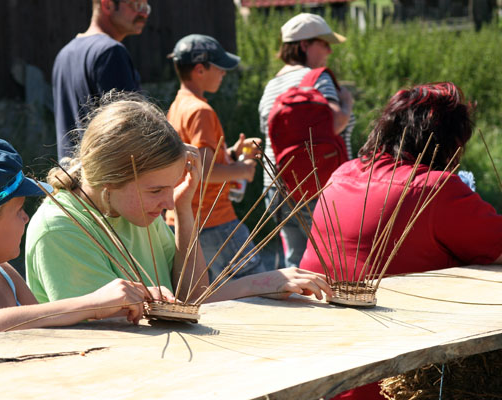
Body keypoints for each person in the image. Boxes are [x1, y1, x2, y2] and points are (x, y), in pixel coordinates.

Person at [26, 92, 332, 305]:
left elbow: (191, 297)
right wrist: (255, 284)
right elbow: (121, 330)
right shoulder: (61, 230)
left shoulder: (131, 209)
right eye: (156, 190)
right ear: (110, 180)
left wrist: (185, 210)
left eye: (170, 188)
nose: (167, 203)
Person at [299, 82, 502, 400]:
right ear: (449, 140)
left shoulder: (342, 174)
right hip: (395, 382)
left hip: (323, 369)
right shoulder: (435, 190)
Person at [0, 137, 168, 347]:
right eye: (19, 210)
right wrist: (92, 304)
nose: (26, 218)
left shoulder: (3, 274)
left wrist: (124, 305)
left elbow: (47, 334)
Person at [164, 34, 273, 283]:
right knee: (261, 286)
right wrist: (243, 170)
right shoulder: (201, 111)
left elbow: (191, 160)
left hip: (184, 218)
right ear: (200, 69)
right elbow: (203, 171)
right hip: (213, 220)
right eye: (219, 67)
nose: (224, 73)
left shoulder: (178, 106)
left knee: (206, 292)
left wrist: (231, 153)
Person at [258, 13, 354, 268]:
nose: (329, 51)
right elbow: (336, 123)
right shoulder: (318, 78)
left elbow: (269, 134)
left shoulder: (271, 86)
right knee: (330, 261)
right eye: (324, 43)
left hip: (277, 187)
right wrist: (347, 103)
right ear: (304, 45)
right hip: (315, 185)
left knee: (296, 263)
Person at [52, 0, 151, 160]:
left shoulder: (64, 54)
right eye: (136, 5)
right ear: (107, 5)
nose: (144, 14)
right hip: (105, 172)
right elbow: (131, 128)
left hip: (70, 171)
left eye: (146, 7)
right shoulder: (110, 52)